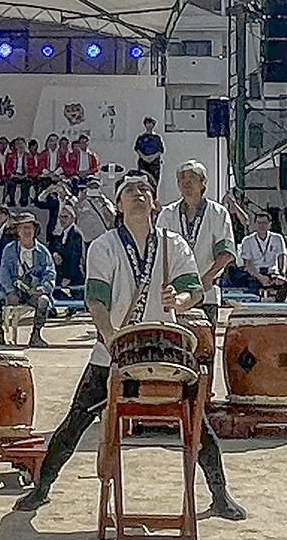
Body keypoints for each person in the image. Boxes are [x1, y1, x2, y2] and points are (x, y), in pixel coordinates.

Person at [13, 172, 246, 519]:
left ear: (154, 203)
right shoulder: (104, 246)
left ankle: (220, 493)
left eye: (144, 191)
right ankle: (42, 487)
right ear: (119, 205)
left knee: (198, 419)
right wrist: (109, 336)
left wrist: (178, 300)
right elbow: (96, 300)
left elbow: (194, 291)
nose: (138, 195)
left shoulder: (172, 244)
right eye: (130, 191)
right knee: (77, 418)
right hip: (116, 348)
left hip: (164, 347)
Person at [157, 160, 236, 327]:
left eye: (192, 178)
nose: (186, 182)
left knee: (205, 347)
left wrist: (207, 277)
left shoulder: (218, 213)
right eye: (182, 179)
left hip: (207, 291)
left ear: (203, 183)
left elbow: (226, 252)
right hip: (176, 293)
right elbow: (159, 251)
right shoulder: (167, 214)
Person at [0, 212, 56, 348]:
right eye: (23, 228)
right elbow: (4, 274)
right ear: (17, 231)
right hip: (14, 290)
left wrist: (44, 288)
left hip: (33, 292)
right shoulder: (9, 250)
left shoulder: (43, 252)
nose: (27, 231)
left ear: (35, 230)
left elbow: (50, 273)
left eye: (29, 228)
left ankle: (36, 335)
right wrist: (10, 291)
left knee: (44, 302)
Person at [238, 211, 287, 301]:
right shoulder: (247, 240)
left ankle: (278, 307)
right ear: (255, 224)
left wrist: (282, 274)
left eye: (265, 223)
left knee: (284, 284)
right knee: (249, 285)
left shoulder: (277, 238)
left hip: (272, 272)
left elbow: (282, 256)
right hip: (255, 273)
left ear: (270, 224)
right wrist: (259, 277)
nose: (262, 226)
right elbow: (248, 263)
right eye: (259, 223)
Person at [51, 204, 85, 289]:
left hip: (73, 278)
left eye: (65, 217)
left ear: (73, 218)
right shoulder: (62, 233)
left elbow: (75, 258)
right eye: (61, 217)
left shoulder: (76, 235)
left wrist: (69, 278)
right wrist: (55, 254)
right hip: (63, 276)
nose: (62, 220)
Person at [74, 177, 115, 244]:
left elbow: (112, 218)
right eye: (91, 186)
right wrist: (80, 201)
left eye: (95, 187)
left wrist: (103, 204)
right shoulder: (82, 202)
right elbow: (75, 216)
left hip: (102, 238)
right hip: (87, 238)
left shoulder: (106, 202)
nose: (93, 189)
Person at [2, 137, 32, 207]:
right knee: (11, 183)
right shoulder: (10, 156)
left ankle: (24, 200)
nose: (20, 146)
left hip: (24, 175)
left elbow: (31, 167)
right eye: (18, 144)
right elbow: (8, 167)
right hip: (14, 175)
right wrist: (12, 174)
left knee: (26, 183)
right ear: (15, 146)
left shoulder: (29, 156)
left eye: (22, 143)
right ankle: (11, 201)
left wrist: (26, 175)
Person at [134, 117, 165, 183]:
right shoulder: (141, 137)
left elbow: (160, 150)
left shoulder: (157, 137)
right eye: (147, 123)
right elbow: (137, 149)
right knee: (143, 181)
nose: (149, 125)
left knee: (154, 182)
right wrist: (145, 157)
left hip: (154, 164)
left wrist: (152, 158)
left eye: (150, 123)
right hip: (143, 163)